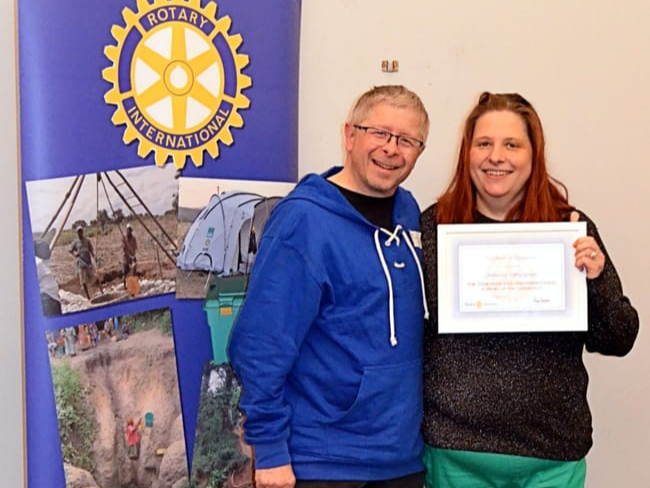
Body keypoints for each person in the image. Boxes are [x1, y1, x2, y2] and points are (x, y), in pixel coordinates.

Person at [420, 92, 639, 488]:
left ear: (533, 154)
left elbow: (619, 338)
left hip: (550, 455)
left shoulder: (569, 227)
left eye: (512, 145)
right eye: (483, 143)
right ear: (466, 152)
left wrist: (598, 279)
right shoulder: (433, 229)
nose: (496, 156)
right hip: (456, 451)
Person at [228, 85, 430, 488]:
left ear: (419, 152)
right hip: (323, 462)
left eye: (407, 140)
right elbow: (261, 344)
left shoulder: (409, 214)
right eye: (380, 133)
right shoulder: (303, 222)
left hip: (401, 459)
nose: (392, 149)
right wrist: (269, 451)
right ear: (349, 135)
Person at [68, 226, 103, 299]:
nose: (80, 233)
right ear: (77, 233)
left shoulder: (87, 241)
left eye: (81, 231)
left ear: (82, 232)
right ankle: (88, 297)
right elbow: (70, 250)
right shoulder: (75, 242)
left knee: (95, 277)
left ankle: (101, 291)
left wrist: (94, 258)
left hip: (88, 263)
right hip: (81, 264)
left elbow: (91, 251)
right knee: (83, 282)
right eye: (78, 232)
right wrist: (75, 254)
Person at [121, 223, 138, 288]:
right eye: (128, 230)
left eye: (130, 230)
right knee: (124, 273)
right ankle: (125, 287)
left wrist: (133, 256)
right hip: (126, 258)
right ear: (126, 230)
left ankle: (133, 287)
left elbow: (135, 248)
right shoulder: (124, 238)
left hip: (132, 258)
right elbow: (124, 249)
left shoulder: (134, 239)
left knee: (133, 273)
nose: (129, 232)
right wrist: (129, 255)